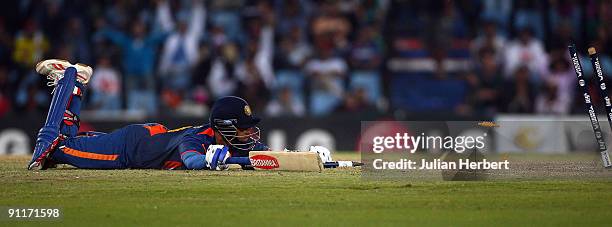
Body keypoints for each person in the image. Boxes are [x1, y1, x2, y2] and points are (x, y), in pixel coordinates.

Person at [28, 59, 268, 171]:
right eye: (243, 127)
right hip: (128, 149)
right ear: (223, 126)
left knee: (68, 143)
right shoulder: (195, 139)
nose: (248, 132)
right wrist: (223, 160)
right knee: (53, 148)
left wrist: (287, 157)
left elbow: (265, 155)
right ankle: (68, 77)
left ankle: (77, 83)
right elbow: (192, 161)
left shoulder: (234, 143)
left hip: (149, 138)